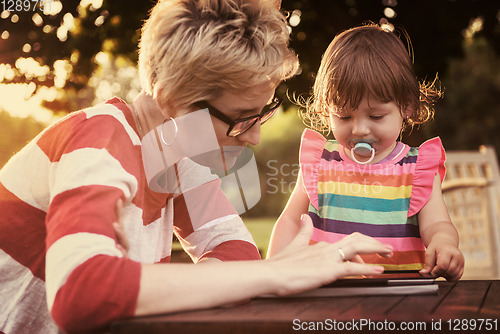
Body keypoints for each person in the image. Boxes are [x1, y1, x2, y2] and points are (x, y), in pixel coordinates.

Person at [0, 2, 394, 334]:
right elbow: (80, 291)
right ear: (172, 97)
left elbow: (237, 251)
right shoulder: (99, 140)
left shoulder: (176, 155)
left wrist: (130, 283)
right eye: (241, 118)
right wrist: (278, 274)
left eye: (262, 114)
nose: (254, 137)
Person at [267, 24, 464, 282]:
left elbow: (437, 225)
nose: (359, 129)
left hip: (400, 300)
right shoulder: (319, 162)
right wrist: (273, 270)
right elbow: (291, 221)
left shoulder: (418, 169)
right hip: (324, 297)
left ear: (405, 105)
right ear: (327, 110)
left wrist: (444, 244)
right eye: (344, 116)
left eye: (376, 116)